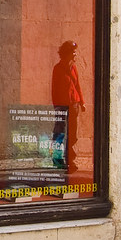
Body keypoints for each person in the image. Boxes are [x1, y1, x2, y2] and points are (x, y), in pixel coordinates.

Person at [51, 41, 85, 171]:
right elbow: (54, 89)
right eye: (73, 51)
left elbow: (77, 86)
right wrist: (56, 106)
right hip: (62, 105)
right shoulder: (58, 68)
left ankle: (70, 160)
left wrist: (82, 102)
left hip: (74, 105)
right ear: (67, 53)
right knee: (60, 133)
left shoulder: (74, 68)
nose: (75, 54)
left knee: (72, 134)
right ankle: (58, 160)